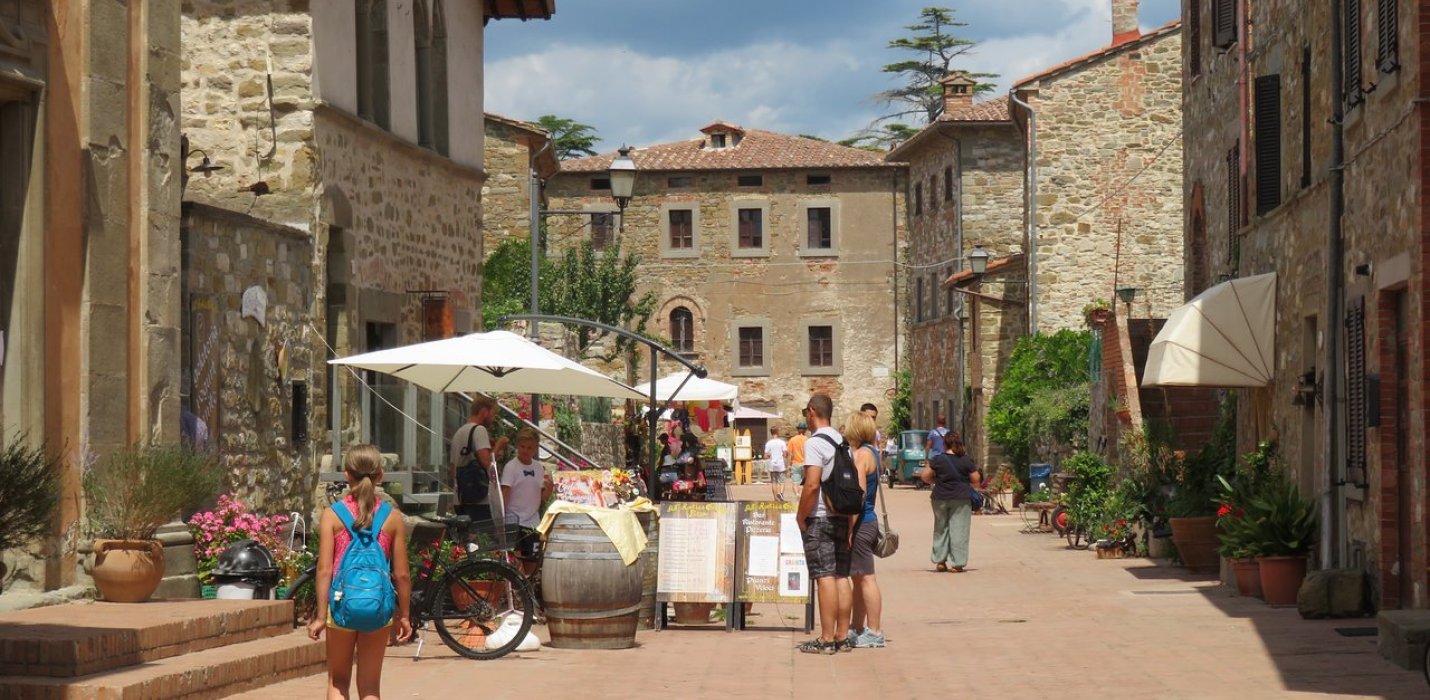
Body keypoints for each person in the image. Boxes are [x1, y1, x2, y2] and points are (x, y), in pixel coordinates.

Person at [308, 444, 413, 700]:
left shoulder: (332, 515)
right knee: (370, 687)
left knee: (338, 680)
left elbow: (324, 570)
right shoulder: (392, 517)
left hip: (341, 604)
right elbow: (401, 574)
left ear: (347, 474)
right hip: (377, 606)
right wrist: (405, 615)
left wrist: (320, 616)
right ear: (380, 475)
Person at [797, 393, 861, 654]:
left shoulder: (815, 443)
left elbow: (812, 484)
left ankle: (826, 639)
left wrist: (801, 516)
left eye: (806, 413)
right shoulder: (842, 441)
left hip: (820, 516)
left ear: (812, 411)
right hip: (842, 515)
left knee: (824, 576)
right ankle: (842, 636)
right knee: (841, 576)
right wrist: (851, 522)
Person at [843, 411, 885, 649]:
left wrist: (850, 527)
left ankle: (875, 630)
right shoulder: (874, 452)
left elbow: (857, 495)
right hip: (870, 519)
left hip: (862, 521)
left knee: (866, 577)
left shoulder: (860, 455)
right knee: (858, 577)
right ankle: (857, 626)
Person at [922, 431, 980, 572]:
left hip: (940, 497)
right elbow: (976, 479)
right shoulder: (965, 459)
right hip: (961, 498)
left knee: (940, 529)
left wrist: (936, 480)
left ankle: (940, 561)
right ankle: (957, 563)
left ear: (944, 444)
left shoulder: (938, 459)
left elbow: (925, 476)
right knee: (959, 529)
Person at [500, 428, 552, 576]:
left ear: (535, 449)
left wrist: (550, 488)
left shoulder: (539, 468)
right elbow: (505, 493)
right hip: (513, 520)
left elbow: (542, 497)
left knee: (532, 564)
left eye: (529, 448)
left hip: (533, 523)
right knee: (515, 564)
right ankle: (517, 589)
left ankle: (526, 588)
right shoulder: (511, 467)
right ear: (518, 446)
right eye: (522, 446)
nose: (525, 451)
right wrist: (502, 521)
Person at [449, 397, 508, 524]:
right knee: (483, 535)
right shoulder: (479, 430)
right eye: (493, 414)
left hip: (461, 498)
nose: (493, 419)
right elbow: (487, 463)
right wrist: (499, 446)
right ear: (484, 412)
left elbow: (453, 471)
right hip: (479, 500)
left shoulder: (459, 432)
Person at [763, 426, 790, 502]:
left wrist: (770, 455)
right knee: (782, 481)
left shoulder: (768, 443)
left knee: (774, 482)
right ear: (778, 432)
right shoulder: (782, 442)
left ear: (771, 433)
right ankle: (781, 493)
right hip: (780, 464)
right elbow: (785, 454)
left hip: (772, 465)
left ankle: (775, 498)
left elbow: (765, 456)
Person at [787, 420, 809, 486]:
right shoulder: (808, 440)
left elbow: (790, 454)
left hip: (795, 463)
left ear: (797, 430)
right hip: (805, 464)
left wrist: (788, 465)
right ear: (805, 430)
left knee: (795, 482)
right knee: (805, 482)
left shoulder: (792, 440)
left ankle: (797, 492)